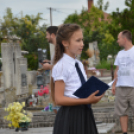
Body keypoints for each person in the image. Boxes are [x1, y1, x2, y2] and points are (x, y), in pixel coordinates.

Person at [51, 24, 104, 134]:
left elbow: (79, 88)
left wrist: (94, 94)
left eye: (82, 40)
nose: (82, 44)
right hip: (71, 117)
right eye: (78, 40)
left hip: (85, 113)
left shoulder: (78, 64)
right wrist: (86, 100)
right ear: (65, 43)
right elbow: (59, 99)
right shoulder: (61, 66)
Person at [112, 30, 134, 134]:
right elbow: (117, 69)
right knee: (122, 112)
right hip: (121, 87)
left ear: (125, 39)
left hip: (133, 87)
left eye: (118, 38)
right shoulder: (120, 53)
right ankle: (125, 132)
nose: (117, 41)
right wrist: (114, 83)